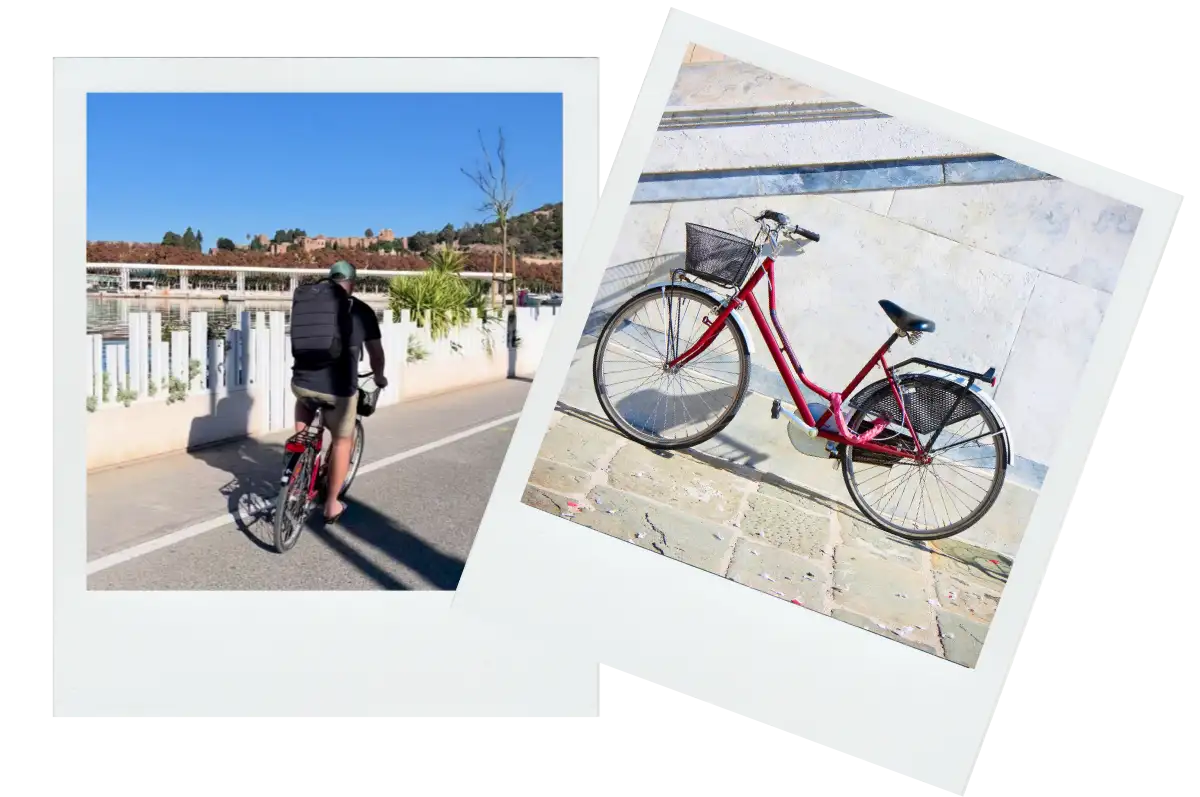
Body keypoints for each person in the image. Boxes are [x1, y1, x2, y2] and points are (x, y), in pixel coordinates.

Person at [290, 260, 387, 523]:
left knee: (304, 430)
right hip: (339, 390)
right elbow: (376, 355)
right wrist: (378, 377)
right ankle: (331, 504)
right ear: (352, 284)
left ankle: (296, 470)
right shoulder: (362, 311)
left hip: (301, 383)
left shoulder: (310, 305)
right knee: (343, 441)